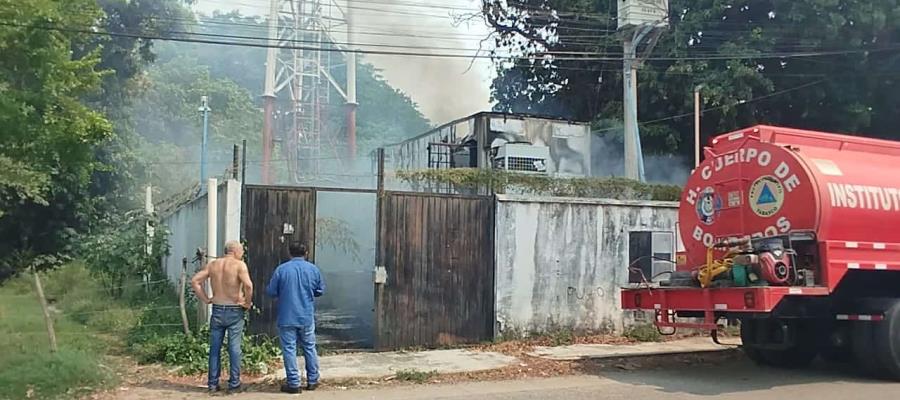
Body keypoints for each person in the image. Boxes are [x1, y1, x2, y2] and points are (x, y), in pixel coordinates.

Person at [190, 240, 253, 394]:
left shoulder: (213, 265)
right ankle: (234, 384)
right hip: (234, 309)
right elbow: (249, 285)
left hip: (217, 308)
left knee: (215, 348)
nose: (242, 253)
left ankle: (212, 383)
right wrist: (247, 302)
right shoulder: (239, 265)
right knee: (234, 348)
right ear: (235, 251)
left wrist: (206, 299)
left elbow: (195, 281)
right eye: (241, 251)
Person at [266, 242, 325, 394]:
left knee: (289, 349)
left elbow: (271, 291)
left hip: (287, 316)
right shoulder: (313, 269)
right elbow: (320, 290)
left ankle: (294, 383)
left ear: (289, 253)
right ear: (306, 253)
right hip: (306, 315)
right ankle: (313, 380)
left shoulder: (281, 270)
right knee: (309, 347)